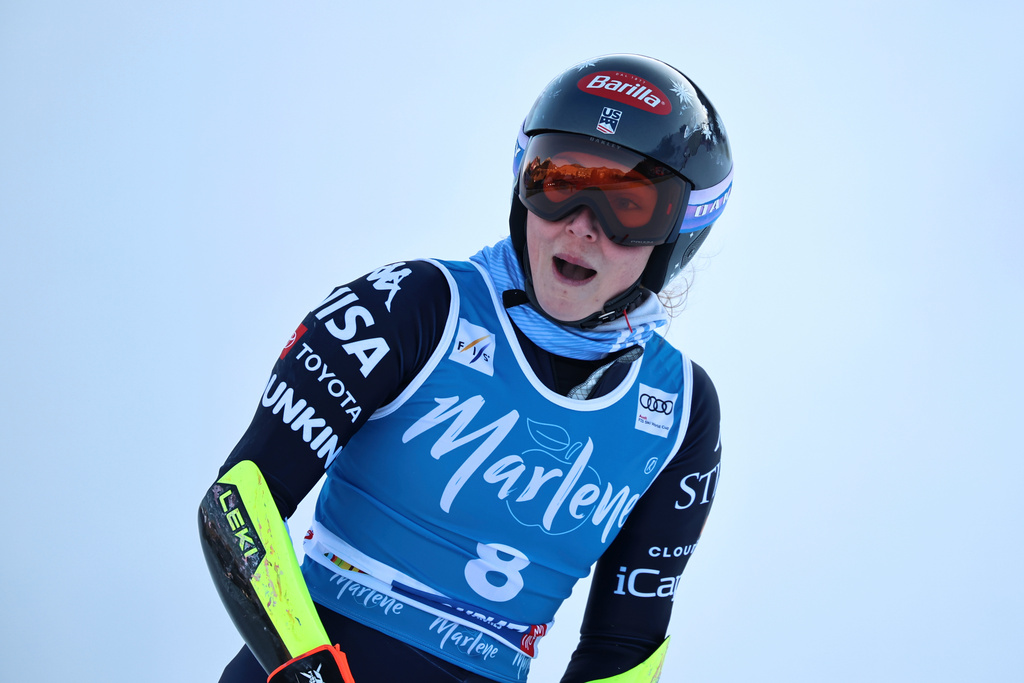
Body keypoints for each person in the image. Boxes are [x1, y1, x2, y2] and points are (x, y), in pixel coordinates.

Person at [199, 53, 733, 683]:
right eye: (559, 181)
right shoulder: (413, 307)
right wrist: (305, 672)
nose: (583, 226)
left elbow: (625, 648)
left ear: (680, 232)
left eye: (630, 205)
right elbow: (239, 501)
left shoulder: (681, 411)